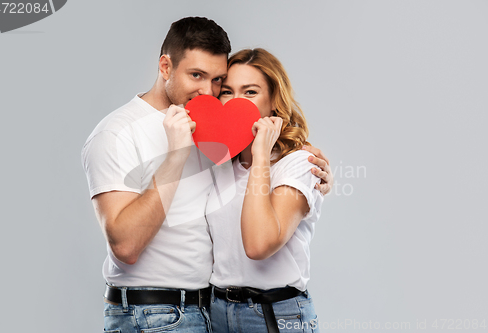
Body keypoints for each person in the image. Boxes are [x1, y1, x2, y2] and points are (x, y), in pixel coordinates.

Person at [81, 17, 332, 333]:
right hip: (155, 313)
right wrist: (174, 156)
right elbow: (126, 247)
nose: (207, 91)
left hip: (210, 311)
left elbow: (264, 189)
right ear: (165, 68)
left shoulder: (215, 138)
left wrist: (306, 165)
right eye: (197, 75)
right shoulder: (116, 133)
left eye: (217, 81)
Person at [206, 48, 325, 333]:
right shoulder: (217, 163)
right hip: (216, 312)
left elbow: (258, 245)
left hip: (273, 316)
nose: (236, 102)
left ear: (273, 101)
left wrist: (261, 154)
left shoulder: (298, 163)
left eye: (250, 92)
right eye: (227, 92)